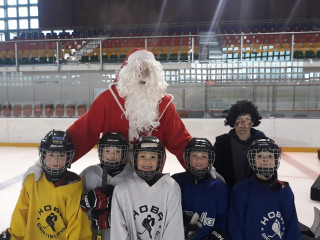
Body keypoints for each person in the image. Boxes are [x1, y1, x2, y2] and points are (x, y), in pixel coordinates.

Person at [24, 48, 192, 182]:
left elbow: (180, 140)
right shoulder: (108, 99)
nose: (143, 76)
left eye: (147, 71)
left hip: (150, 174)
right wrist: (45, 163)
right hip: (113, 174)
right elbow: (83, 132)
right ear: (128, 73)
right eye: (138, 70)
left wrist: (201, 167)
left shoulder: (164, 104)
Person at [0, 130, 92, 240]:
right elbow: (21, 213)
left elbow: (77, 222)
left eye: (61, 155)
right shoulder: (33, 181)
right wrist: (13, 235)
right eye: (51, 155)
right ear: (43, 156)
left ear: (69, 157)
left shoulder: (74, 185)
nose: (55, 160)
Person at [110, 136, 184, 240]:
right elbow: (118, 231)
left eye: (153, 157)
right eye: (142, 156)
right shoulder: (122, 189)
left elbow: (174, 230)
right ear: (135, 159)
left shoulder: (171, 187)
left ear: (160, 160)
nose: (147, 162)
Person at [228, 138, 301, 240]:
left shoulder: (284, 191)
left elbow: (292, 227)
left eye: (270, 156)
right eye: (260, 156)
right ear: (253, 161)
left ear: (276, 161)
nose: (265, 160)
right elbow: (235, 227)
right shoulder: (241, 190)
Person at [172, 138, 230, 240]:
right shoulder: (175, 181)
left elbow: (225, 221)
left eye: (204, 156)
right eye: (195, 155)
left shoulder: (219, 187)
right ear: (187, 158)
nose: (199, 160)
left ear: (210, 160)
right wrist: (181, 223)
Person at [80, 132, 132, 240]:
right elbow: (75, 202)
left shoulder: (132, 175)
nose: (112, 156)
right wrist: (87, 201)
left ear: (124, 153)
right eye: (107, 151)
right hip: (95, 233)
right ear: (100, 151)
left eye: (117, 151)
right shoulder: (89, 173)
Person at [213, 99, 267, 189]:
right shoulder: (221, 143)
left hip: (254, 193)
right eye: (239, 119)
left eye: (247, 119)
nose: (243, 124)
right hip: (228, 192)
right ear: (233, 121)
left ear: (252, 122)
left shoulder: (262, 141)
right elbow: (214, 168)